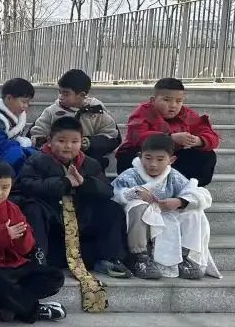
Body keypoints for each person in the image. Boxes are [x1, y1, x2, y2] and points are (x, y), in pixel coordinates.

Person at [14, 116, 129, 313]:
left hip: (81, 221)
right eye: (62, 141)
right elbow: (25, 186)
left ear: (82, 142)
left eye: (75, 141)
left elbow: (107, 190)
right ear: (49, 140)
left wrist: (85, 183)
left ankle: (109, 258)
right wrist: (63, 183)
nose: (68, 146)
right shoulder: (36, 161)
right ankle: (38, 258)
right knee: (32, 208)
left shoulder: (90, 164)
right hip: (53, 224)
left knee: (112, 208)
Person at [0, 159, 66, 323]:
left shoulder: (13, 208)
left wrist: (23, 237)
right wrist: (3, 235)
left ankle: (8, 306)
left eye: (5, 188)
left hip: (13, 265)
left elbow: (26, 249)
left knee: (54, 276)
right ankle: (34, 310)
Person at [112, 133, 218, 281]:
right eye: (148, 158)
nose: (153, 164)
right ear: (140, 156)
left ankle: (185, 257)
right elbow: (115, 193)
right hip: (141, 221)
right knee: (136, 206)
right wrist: (135, 193)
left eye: (160, 159)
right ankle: (140, 257)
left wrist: (179, 201)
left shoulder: (173, 176)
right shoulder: (130, 174)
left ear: (171, 160)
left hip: (166, 214)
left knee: (194, 211)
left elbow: (199, 194)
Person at [115, 77, 220, 186]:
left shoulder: (188, 114)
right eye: (166, 100)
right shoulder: (143, 112)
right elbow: (137, 136)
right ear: (153, 100)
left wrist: (199, 140)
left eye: (178, 101)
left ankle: (187, 186)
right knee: (131, 154)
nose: (173, 105)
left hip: (172, 160)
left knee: (207, 154)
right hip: (147, 158)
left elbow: (211, 136)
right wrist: (170, 138)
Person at [30, 69, 121, 163]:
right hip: (55, 160)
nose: (60, 96)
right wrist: (53, 144)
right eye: (60, 92)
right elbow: (37, 133)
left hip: (87, 160)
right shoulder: (52, 112)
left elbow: (111, 136)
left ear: (81, 95)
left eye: (66, 93)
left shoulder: (97, 112)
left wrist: (88, 143)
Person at [0, 78, 37, 174]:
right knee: (16, 153)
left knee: (35, 153)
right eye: (24, 102)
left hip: (7, 152)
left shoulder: (17, 117)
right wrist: (22, 144)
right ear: (9, 98)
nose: (26, 106)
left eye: (28, 103)